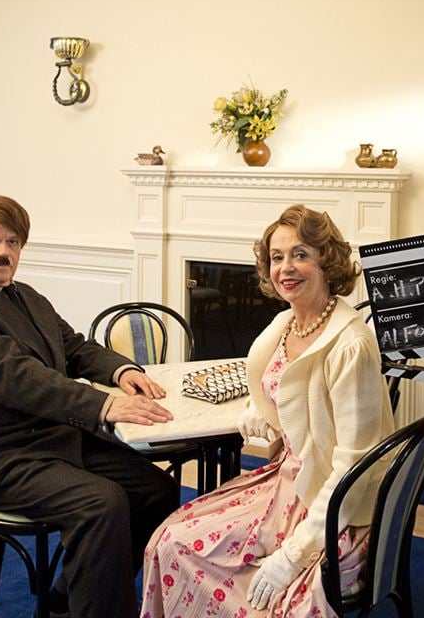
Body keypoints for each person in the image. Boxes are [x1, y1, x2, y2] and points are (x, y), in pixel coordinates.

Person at [0, 195, 181, 618]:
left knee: (156, 490)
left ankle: (65, 596)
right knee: (102, 503)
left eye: (12, 242)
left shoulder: (24, 295)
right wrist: (104, 406)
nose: (3, 252)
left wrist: (120, 372)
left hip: (49, 439)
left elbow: (73, 346)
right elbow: (19, 378)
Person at [141, 204, 396, 618]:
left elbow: (355, 467)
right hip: (286, 482)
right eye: (277, 258)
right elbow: (287, 387)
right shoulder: (285, 324)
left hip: (332, 511)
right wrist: (261, 409)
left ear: (326, 261)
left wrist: (293, 556)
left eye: (300, 254)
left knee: (265, 595)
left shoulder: (351, 344)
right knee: (167, 539)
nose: (286, 268)